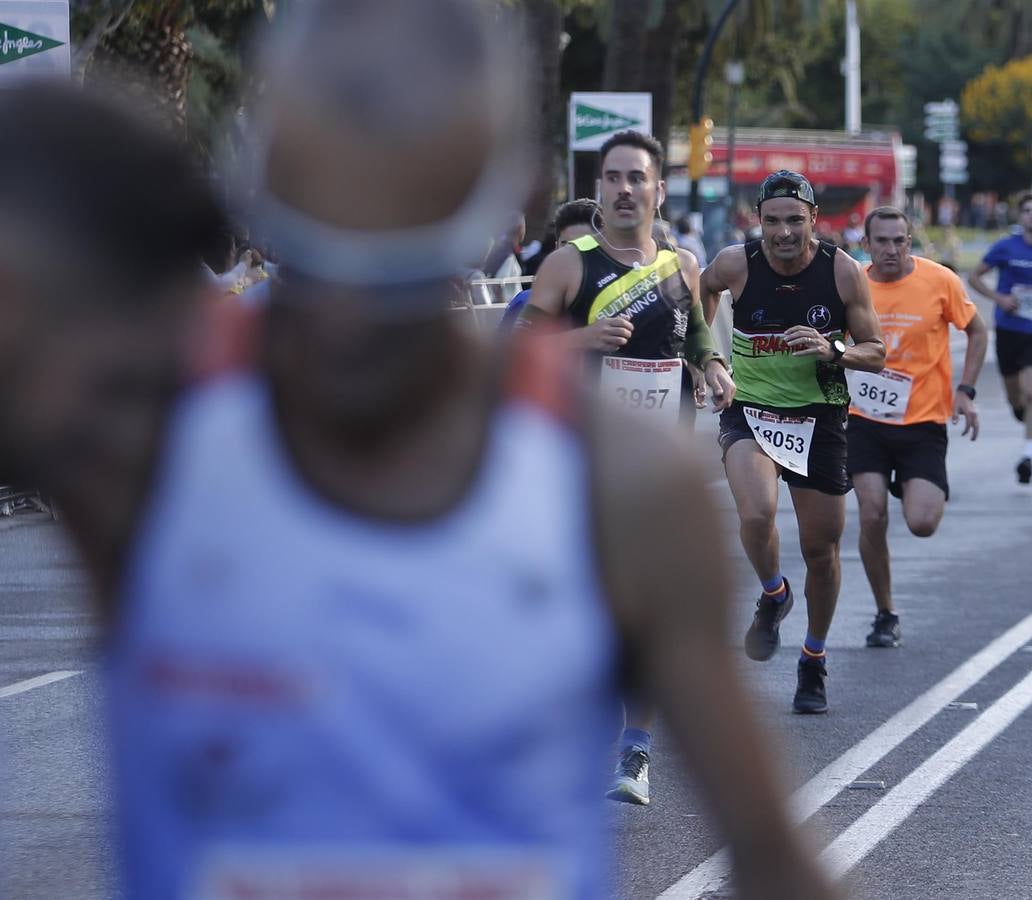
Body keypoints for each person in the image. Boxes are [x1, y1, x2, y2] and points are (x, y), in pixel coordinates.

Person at [0, 9, 834, 900]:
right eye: (351, 113)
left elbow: (772, 864)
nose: (376, 158)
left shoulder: (133, 431)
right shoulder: (140, 430)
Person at [524, 130, 735, 805]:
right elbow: (519, 349)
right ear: (600, 188)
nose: (623, 189)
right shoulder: (568, 263)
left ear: (656, 189)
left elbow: (697, 333)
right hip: (576, 457)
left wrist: (713, 366)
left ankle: (634, 750)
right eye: (612, 177)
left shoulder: (680, 266)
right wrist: (583, 338)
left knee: (645, 603)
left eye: (635, 178)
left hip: (656, 463)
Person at [699, 170, 885, 715]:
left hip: (820, 416)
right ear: (758, 221)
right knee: (757, 516)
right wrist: (708, 358)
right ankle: (775, 593)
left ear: (813, 222)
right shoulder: (737, 264)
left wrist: (834, 351)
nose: (783, 233)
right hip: (751, 412)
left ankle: (814, 656)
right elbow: (701, 292)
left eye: (795, 221)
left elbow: (876, 350)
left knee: (821, 550)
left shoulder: (843, 272)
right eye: (773, 221)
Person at [848, 207, 986, 649]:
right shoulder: (852, 283)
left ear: (911, 242)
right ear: (866, 244)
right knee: (871, 514)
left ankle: (907, 484)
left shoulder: (939, 281)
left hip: (923, 421)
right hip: (862, 420)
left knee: (922, 523)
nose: (891, 249)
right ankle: (885, 612)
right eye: (882, 241)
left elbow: (977, 331)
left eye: (900, 240)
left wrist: (965, 390)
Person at [967, 192, 1032, 485]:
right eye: (1028, 210)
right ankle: (1019, 410)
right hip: (1008, 331)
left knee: (1031, 393)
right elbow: (974, 276)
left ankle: (1028, 455)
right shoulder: (1006, 247)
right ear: (1020, 216)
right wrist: (998, 298)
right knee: (1015, 396)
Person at [498, 198, 601, 329]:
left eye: (584, 244)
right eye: (567, 245)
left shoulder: (620, 305)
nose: (574, 253)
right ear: (556, 246)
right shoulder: (525, 303)